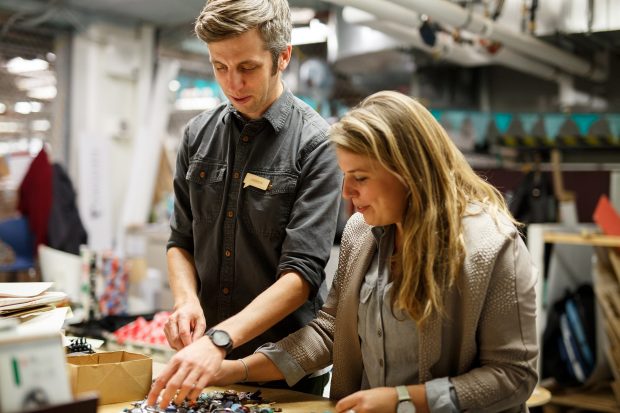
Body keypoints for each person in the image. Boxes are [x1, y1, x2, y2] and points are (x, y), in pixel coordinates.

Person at [211, 91, 539, 413]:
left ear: (409, 172)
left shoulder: (492, 246)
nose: (346, 191)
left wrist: (405, 401)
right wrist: (236, 370)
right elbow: (330, 332)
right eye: (345, 175)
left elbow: (513, 375)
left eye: (361, 177)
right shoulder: (360, 233)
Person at [147, 0, 342, 407]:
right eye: (220, 67)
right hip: (206, 359)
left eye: (248, 67)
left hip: (283, 368)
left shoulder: (317, 145)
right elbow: (180, 240)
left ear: (282, 56)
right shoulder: (197, 136)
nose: (233, 83)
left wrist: (221, 338)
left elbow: (301, 275)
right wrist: (186, 300)